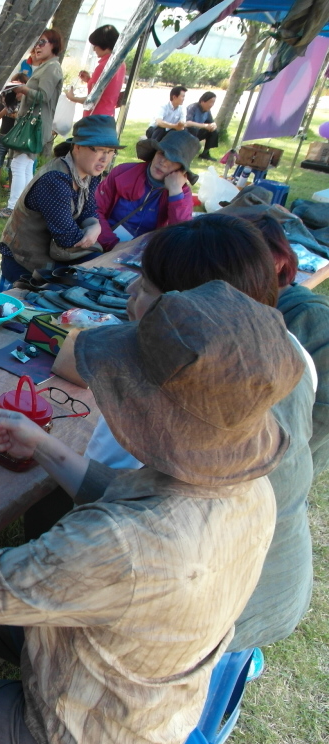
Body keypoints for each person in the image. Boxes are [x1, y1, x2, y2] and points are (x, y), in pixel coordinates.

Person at [0, 279, 300, 744]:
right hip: (134, 676)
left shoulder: (122, 543)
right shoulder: (246, 489)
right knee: (3, 602)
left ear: (152, 414)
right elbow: (121, 491)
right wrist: (41, 444)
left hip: (85, 724)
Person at [45, 215, 316, 655]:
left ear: (188, 312)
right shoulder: (292, 352)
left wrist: (38, 450)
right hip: (279, 583)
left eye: (147, 286)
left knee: (46, 512)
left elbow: (104, 501)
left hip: (202, 617)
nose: (131, 290)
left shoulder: (154, 398)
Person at [239, 211, 329, 476]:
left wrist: (277, 466)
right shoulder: (252, 306)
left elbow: (321, 417)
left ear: (277, 263)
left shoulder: (312, 319)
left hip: (278, 462)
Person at [0, 115, 123, 290]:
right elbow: (66, 238)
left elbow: (89, 211)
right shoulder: (56, 179)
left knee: (105, 279)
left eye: (110, 151)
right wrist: (93, 238)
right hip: (25, 263)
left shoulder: (91, 174)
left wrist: (95, 226)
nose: (105, 158)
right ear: (77, 147)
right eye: (99, 150)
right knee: (92, 285)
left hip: (58, 256)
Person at [0, 28, 65, 219]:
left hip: (34, 126)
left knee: (19, 165)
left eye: (42, 42)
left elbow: (43, 96)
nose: (37, 47)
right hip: (33, 124)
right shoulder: (47, 66)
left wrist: (24, 89)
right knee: (24, 165)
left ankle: (13, 208)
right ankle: (23, 207)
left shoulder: (52, 67)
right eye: (35, 43)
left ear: (54, 45)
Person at [94, 129, 197, 246]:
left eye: (173, 160)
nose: (163, 162)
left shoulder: (181, 192)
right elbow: (95, 211)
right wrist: (112, 243)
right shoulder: (122, 172)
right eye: (162, 153)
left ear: (181, 169)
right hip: (104, 243)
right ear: (154, 153)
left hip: (147, 250)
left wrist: (175, 192)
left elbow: (182, 235)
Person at [65, 24, 125, 118]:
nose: (94, 49)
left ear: (104, 44)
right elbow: (108, 90)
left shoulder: (102, 67)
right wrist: (89, 80)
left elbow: (92, 100)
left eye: (95, 45)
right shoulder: (121, 64)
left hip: (95, 116)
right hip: (109, 116)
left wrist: (72, 98)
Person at [0, 73, 26, 193]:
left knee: (12, 163)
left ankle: (11, 188)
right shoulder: (6, 99)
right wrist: (7, 110)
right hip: (3, 134)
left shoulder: (26, 102)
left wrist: (16, 115)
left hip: (16, 137)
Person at [186, 91, 220, 160]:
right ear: (202, 101)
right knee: (193, 129)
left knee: (213, 131)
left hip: (197, 132)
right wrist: (204, 126)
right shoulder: (192, 107)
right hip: (187, 133)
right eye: (210, 102)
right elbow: (187, 123)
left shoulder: (207, 111)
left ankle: (205, 153)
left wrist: (213, 125)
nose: (212, 105)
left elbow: (211, 122)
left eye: (213, 102)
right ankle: (188, 150)